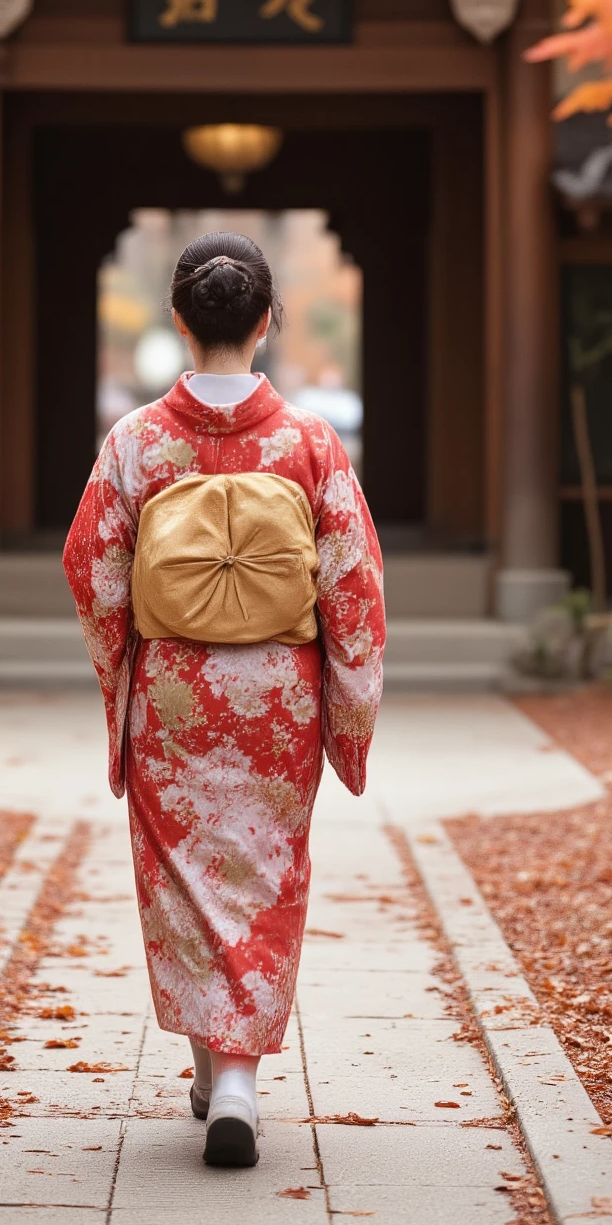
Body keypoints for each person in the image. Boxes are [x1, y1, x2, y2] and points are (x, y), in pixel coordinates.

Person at [63, 231, 386, 1168]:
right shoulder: (308, 442)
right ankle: (234, 1078)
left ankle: (219, 1075)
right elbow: (353, 588)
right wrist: (349, 718)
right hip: (277, 697)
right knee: (262, 873)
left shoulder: (136, 442)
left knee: (187, 876)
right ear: (269, 319)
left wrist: (123, 683)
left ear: (177, 318)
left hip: (175, 694)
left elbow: (96, 574)